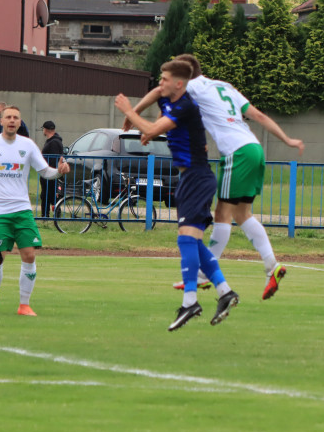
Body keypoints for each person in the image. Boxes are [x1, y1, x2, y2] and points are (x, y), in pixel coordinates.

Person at [126, 53, 304, 300]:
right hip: (254, 148)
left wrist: (134, 112)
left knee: (222, 214)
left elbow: (160, 94)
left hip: (236, 153)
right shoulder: (224, 86)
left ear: (184, 75)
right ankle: (271, 266)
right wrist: (287, 139)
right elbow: (259, 116)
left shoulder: (192, 87)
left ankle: (203, 276)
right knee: (242, 214)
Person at [114, 59, 240, 331]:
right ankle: (224, 291)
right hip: (190, 177)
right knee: (192, 240)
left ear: (179, 84)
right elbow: (156, 94)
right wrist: (136, 109)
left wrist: (129, 111)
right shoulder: (170, 97)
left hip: (197, 176)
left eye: (164, 79)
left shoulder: (185, 106)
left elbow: (150, 130)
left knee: (186, 237)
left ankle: (190, 302)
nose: (160, 84)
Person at [0, 104, 68, 316]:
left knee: (28, 255)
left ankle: (24, 305)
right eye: (8, 117)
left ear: (20, 122)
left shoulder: (28, 145)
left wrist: (59, 172)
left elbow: (45, 171)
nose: (12, 120)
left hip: (21, 209)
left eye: (15, 118)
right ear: (1, 121)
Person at [39, 120, 64, 218]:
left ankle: (50, 215)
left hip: (50, 173)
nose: (43, 131)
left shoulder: (54, 142)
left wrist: (52, 172)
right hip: (46, 172)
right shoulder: (51, 141)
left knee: (50, 195)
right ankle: (46, 215)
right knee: (46, 194)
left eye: (43, 129)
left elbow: (53, 159)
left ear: (46, 129)